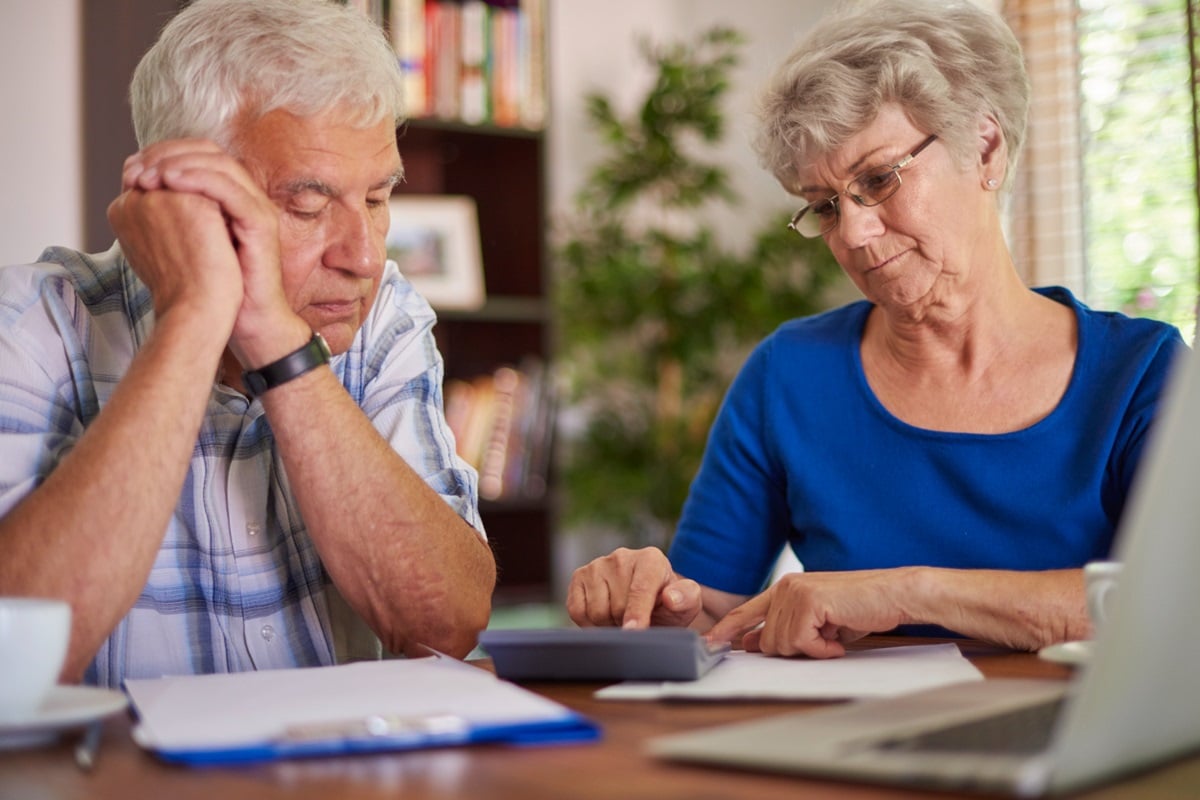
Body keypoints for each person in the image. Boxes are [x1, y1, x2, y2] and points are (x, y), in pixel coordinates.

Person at [566, 0, 1187, 658]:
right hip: (856, 724)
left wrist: (909, 593)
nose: (854, 234)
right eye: (826, 207)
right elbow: (713, 616)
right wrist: (648, 607)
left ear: (985, 148)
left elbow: (1178, 597)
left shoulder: (1142, 373)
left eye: (878, 179)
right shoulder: (789, 376)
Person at [0, 0, 496, 687]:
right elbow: (15, 661)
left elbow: (445, 624)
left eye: (377, 199)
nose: (363, 256)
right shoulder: (31, 325)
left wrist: (278, 345)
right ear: (183, 199)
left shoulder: (381, 316)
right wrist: (193, 315)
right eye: (307, 206)